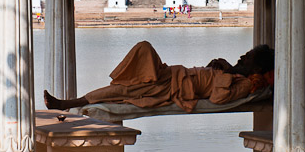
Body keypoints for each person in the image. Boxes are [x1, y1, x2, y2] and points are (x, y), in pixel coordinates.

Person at [44, 41, 274, 113]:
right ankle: (119, 78)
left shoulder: (245, 84)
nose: (243, 56)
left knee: (122, 91)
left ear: (257, 68)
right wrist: (218, 67)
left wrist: (226, 74)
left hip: (173, 88)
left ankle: (67, 104)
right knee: (142, 51)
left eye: (249, 57)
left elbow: (218, 98)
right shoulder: (234, 72)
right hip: (172, 75)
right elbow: (209, 78)